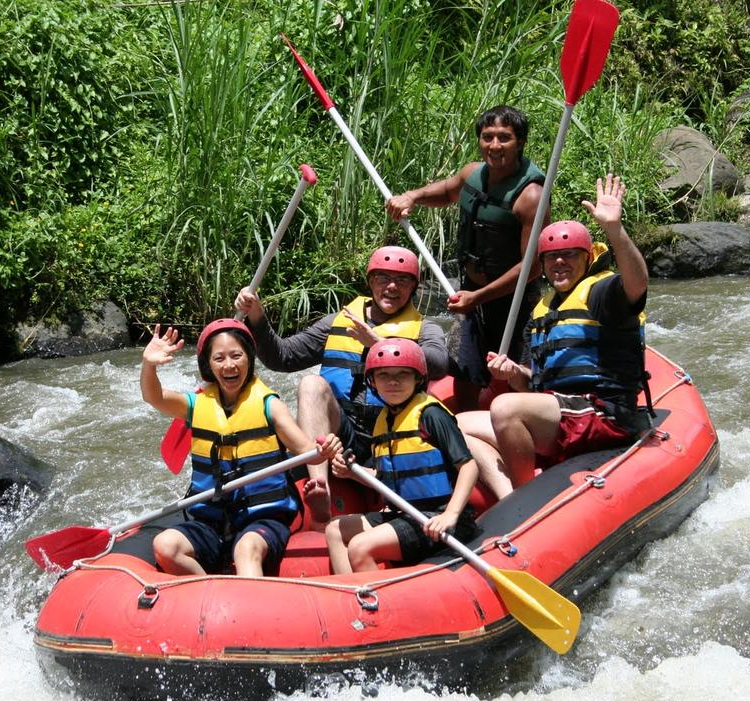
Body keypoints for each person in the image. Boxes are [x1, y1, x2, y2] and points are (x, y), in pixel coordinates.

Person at [458, 174, 649, 499]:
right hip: (560, 411)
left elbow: (638, 283)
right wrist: (514, 373)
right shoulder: (541, 311)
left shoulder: (603, 292)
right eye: (551, 257)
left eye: (570, 254)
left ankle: (528, 497)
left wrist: (615, 231)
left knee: (504, 407)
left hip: (605, 412)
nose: (560, 262)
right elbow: (533, 383)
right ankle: (510, 499)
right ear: (543, 264)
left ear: (588, 257)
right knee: (459, 424)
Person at [233, 246, 449, 523]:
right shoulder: (338, 322)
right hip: (340, 436)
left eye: (403, 280)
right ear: (371, 282)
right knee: (311, 384)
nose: (392, 287)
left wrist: (379, 345)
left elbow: (440, 364)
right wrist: (257, 316)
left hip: (393, 438)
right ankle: (319, 485)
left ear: (414, 287)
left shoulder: (425, 328)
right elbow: (282, 357)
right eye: (383, 278)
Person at [140, 318, 342, 577]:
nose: (229, 365)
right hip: (210, 520)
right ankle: (211, 593)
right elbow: (153, 397)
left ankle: (247, 612)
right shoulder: (195, 405)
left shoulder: (270, 406)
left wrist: (325, 449)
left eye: (237, 355)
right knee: (166, 546)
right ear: (209, 366)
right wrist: (148, 365)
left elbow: (308, 452)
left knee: (245, 549)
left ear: (249, 358)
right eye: (219, 358)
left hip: (264, 517)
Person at [386, 105, 548, 410]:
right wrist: (413, 196)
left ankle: (525, 428)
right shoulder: (472, 173)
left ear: (520, 142)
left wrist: (479, 296)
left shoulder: (532, 196)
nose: (494, 146)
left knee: (517, 373)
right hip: (470, 296)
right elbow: (447, 191)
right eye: (488, 137)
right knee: (464, 367)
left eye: (504, 138)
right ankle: (463, 428)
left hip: (513, 303)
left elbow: (532, 268)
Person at [324, 339, 479, 574]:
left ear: (418, 378)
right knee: (334, 529)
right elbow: (384, 476)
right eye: (384, 375)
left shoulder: (431, 415)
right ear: (372, 381)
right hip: (404, 514)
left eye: (402, 374)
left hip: (440, 517)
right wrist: (351, 472)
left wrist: (451, 514)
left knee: (359, 547)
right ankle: (350, 598)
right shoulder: (383, 420)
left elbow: (469, 466)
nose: (393, 381)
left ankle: (375, 605)